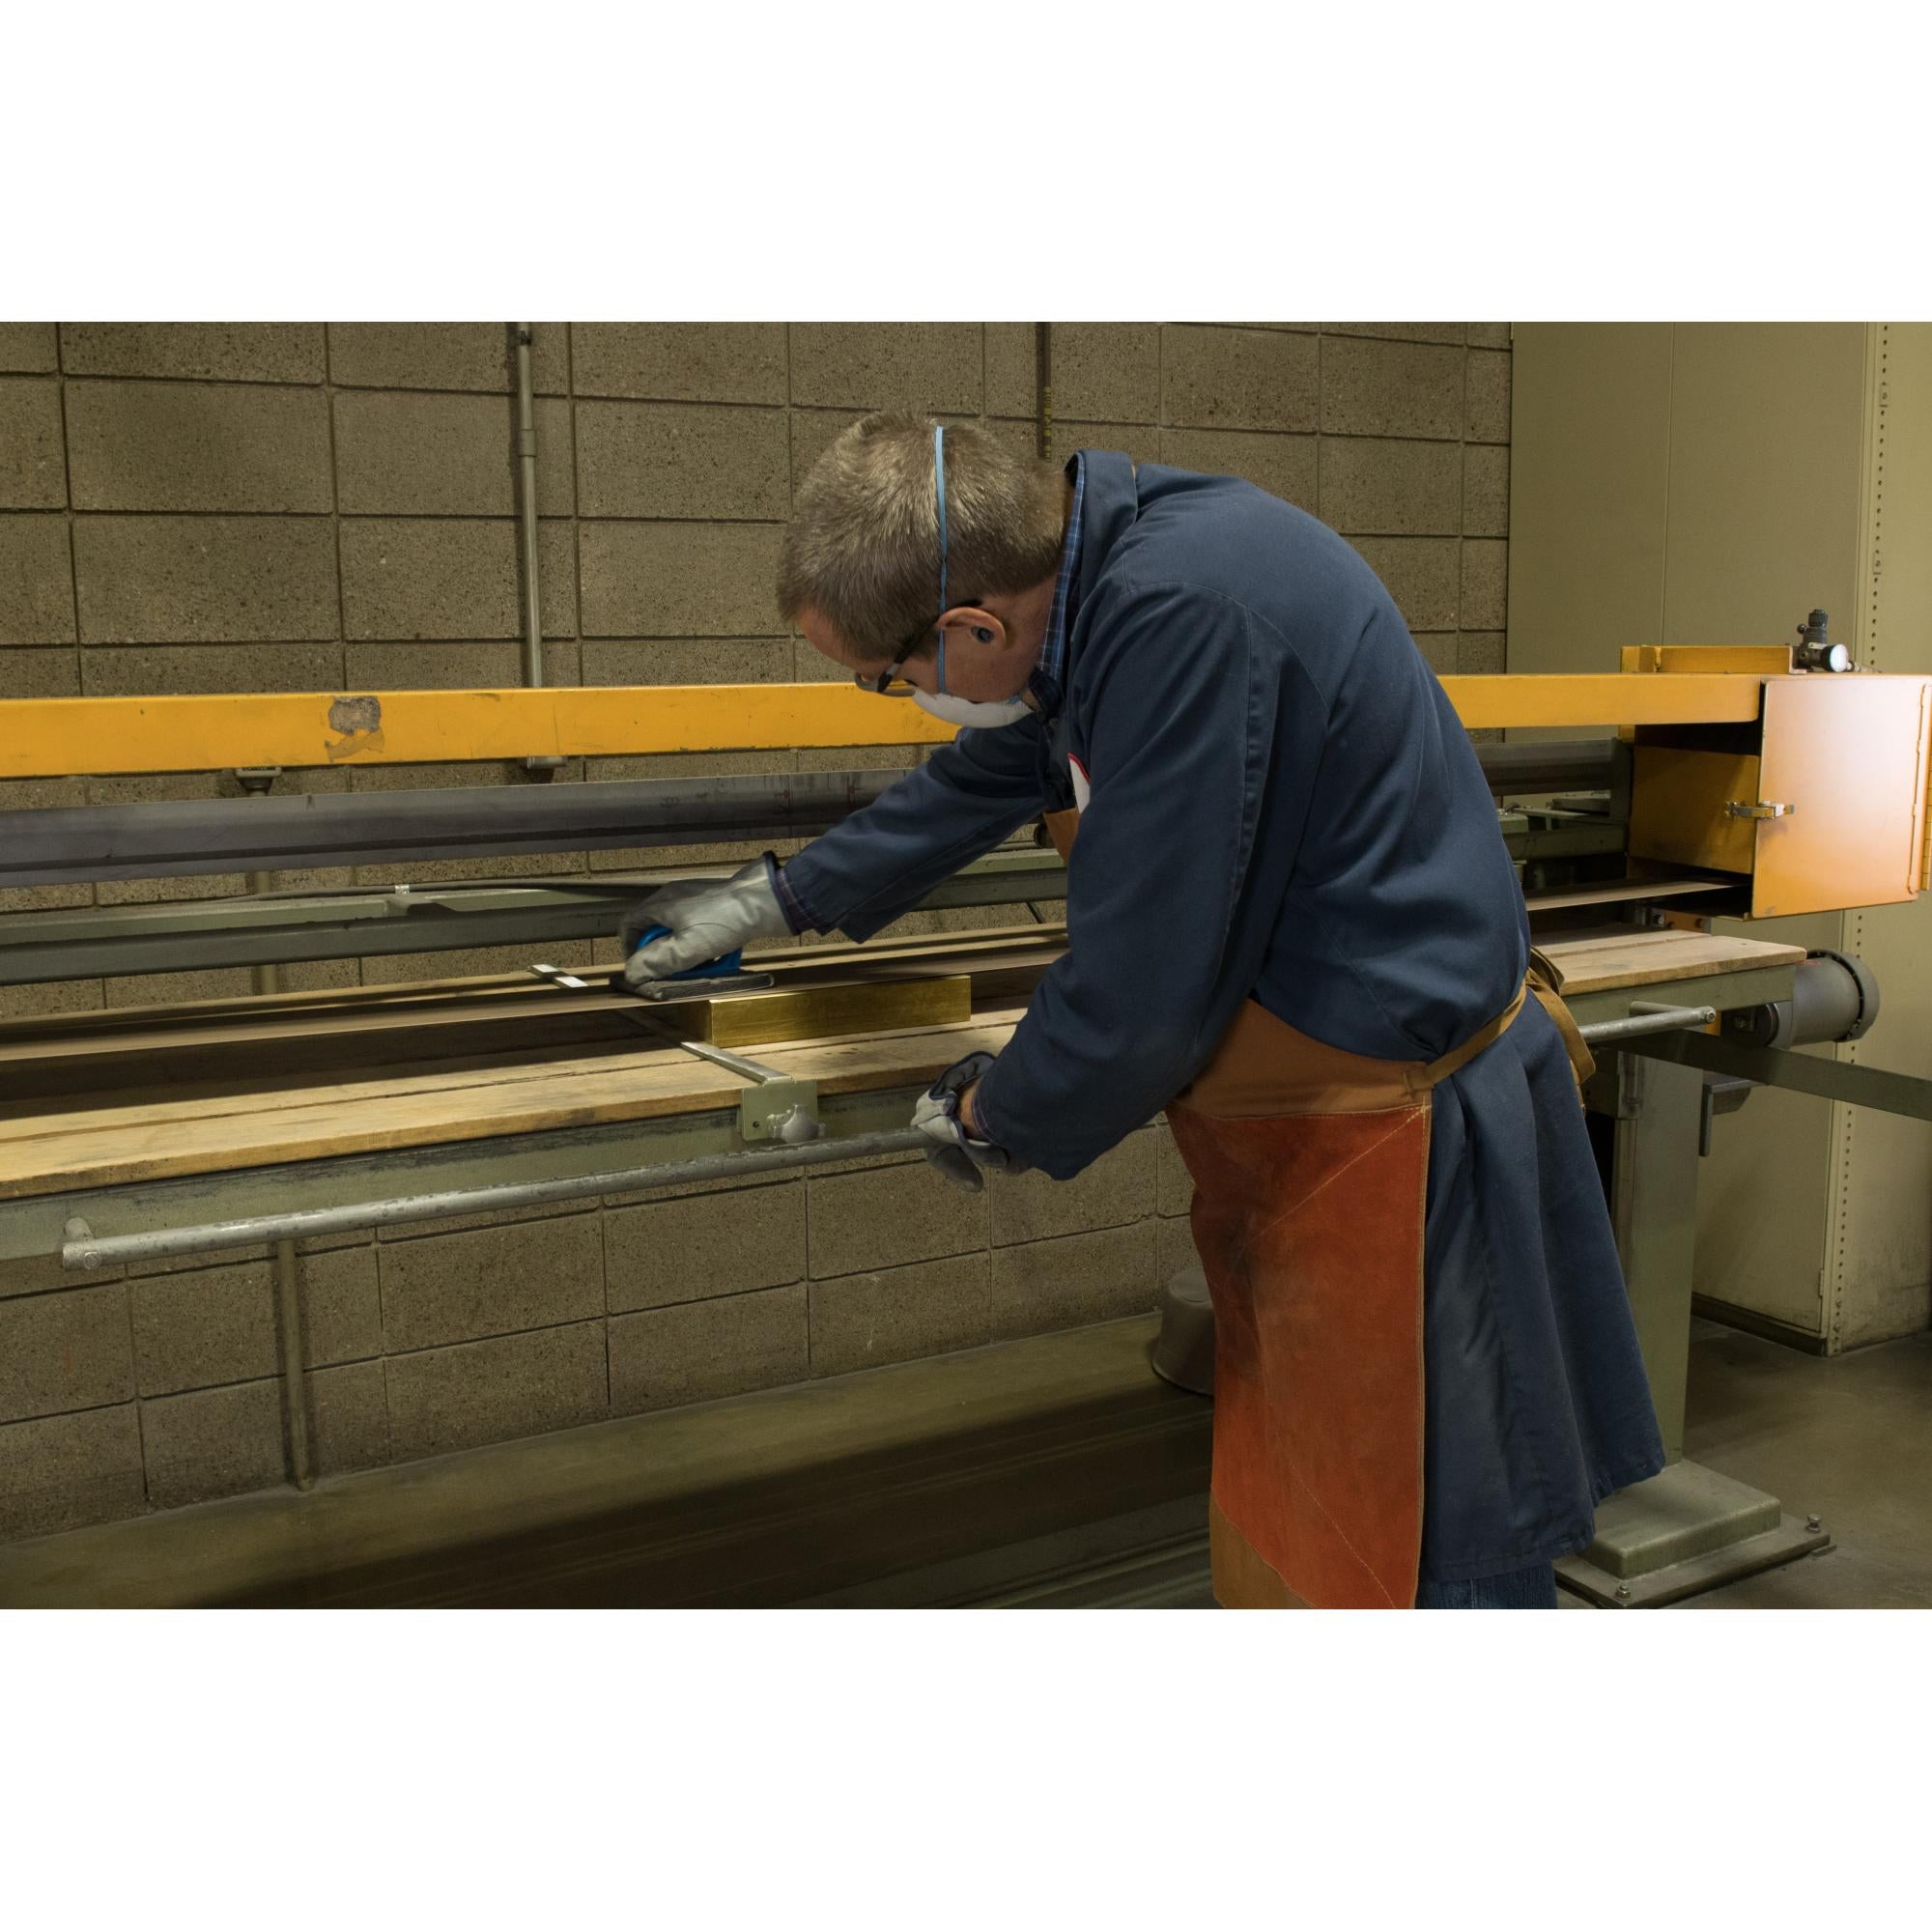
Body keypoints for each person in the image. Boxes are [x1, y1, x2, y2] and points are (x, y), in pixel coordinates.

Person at [619, 413, 1664, 1610]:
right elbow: (1001, 768)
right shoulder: (1107, 572)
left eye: (888, 675)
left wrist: (995, 1110)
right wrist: (777, 896)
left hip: (1403, 1141)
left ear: (973, 626)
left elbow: (1138, 993)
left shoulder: (1180, 620)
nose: (898, 696)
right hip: (1344, 1108)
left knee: (1428, 1543)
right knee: (1342, 1530)